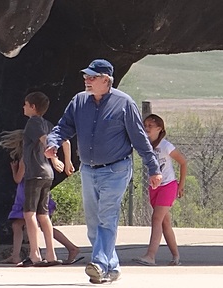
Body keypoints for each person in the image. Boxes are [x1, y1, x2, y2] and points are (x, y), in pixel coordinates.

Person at [45, 58, 162, 285]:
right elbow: (63, 126)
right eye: (86, 77)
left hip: (116, 169)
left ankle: (98, 263)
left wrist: (153, 168)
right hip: (88, 170)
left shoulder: (124, 104)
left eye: (92, 77)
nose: (86, 81)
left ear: (106, 80)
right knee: (92, 222)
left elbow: (140, 139)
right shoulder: (79, 101)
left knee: (107, 217)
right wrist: (53, 141)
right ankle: (112, 267)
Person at [0, 129, 81, 265]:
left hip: (26, 194)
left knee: (27, 224)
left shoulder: (24, 159)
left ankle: (35, 253)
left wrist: (14, 170)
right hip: (37, 191)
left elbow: (18, 179)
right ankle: (17, 255)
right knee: (25, 224)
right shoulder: (39, 156)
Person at [19, 91, 66, 266]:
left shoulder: (34, 122)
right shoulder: (48, 123)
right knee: (43, 214)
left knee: (29, 213)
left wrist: (53, 157)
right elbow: (65, 140)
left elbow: (45, 139)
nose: (23, 107)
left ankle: (34, 253)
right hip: (47, 173)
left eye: (26, 104)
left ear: (33, 107)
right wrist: (65, 160)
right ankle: (51, 253)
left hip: (35, 172)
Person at [133, 113, 187, 266]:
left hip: (168, 186)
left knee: (156, 218)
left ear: (159, 128)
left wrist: (181, 186)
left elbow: (183, 162)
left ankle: (151, 255)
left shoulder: (165, 146)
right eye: (145, 126)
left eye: (150, 126)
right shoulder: (146, 145)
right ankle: (176, 256)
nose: (147, 128)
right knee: (164, 222)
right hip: (154, 187)